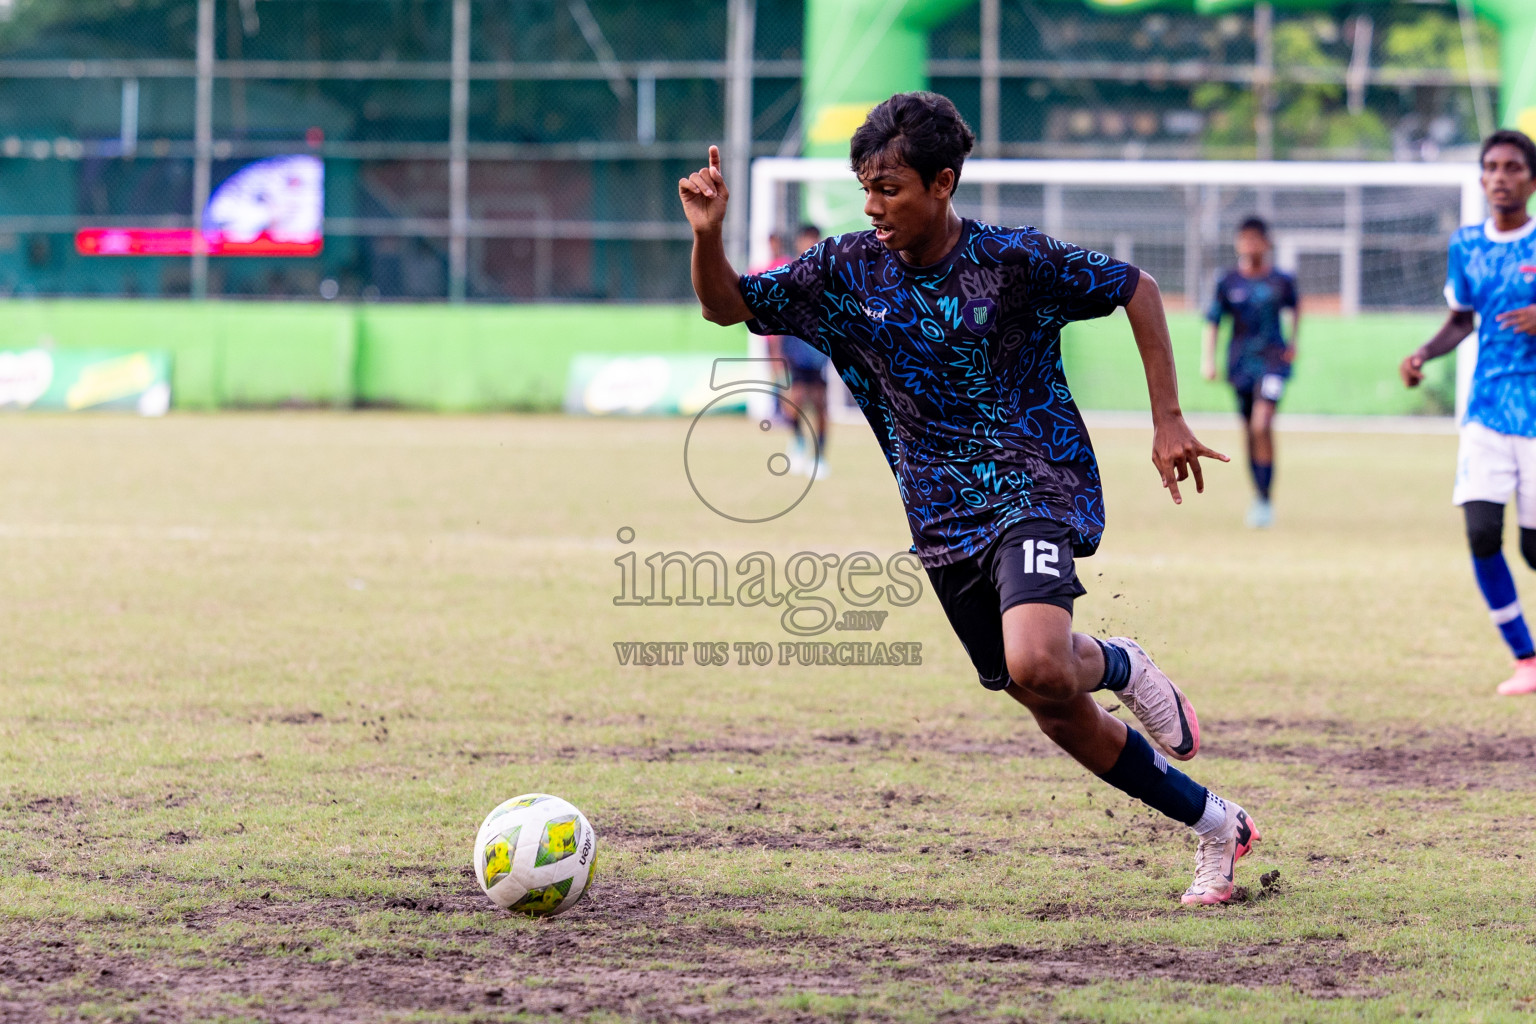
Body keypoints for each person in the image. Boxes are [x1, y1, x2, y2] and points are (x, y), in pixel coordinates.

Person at [678, 92, 1262, 905]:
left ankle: (1118, 661)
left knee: (1036, 659)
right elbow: (726, 305)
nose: (875, 206)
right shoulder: (844, 270)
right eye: (867, 189)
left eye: (892, 189)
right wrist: (708, 238)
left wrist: (1168, 420)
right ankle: (1214, 825)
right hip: (941, 520)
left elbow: (1138, 286)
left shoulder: (1012, 260)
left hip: (1034, 483)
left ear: (943, 184)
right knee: (1046, 698)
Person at [1401, 128, 1536, 697]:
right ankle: (1526, 660)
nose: (1500, 177)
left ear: (1531, 179)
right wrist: (1424, 353)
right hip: (1486, 412)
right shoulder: (1466, 245)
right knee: (1482, 534)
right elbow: (1463, 317)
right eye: (1491, 167)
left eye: (1512, 167)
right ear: (1481, 178)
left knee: (1532, 549)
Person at [1201, 217, 1299, 529]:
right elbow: (1214, 321)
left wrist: (1293, 342)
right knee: (1249, 431)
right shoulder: (1228, 281)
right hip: (1240, 365)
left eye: (1256, 239)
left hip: (1272, 363)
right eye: (1244, 239)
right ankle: (1260, 497)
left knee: (1261, 424)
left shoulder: (1281, 280)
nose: (1250, 245)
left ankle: (1265, 498)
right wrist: (1209, 359)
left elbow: (1296, 308)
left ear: (1267, 243)